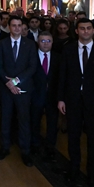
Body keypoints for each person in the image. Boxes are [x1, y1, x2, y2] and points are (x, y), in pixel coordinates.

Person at [57, 19, 94, 187]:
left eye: (89, 28)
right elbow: (62, 76)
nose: (86, 31)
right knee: (73, 138)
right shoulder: (67, 50)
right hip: (73, 100)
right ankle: (74, 170)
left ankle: (92, 173)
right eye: (82, 28)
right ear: (76, 31)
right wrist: (60, 98)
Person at [0, 16, 40, 165]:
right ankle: (5, 147)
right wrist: (8, 83)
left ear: (22, 27)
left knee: (23, 120)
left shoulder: (30, 44)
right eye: (13, 25)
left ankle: (25, 151)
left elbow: (32, 67)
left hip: (23, 87)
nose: (16, 28)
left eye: (19, 25)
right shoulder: (2, 44)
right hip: (5, 88)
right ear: (9, 27)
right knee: (5, 118)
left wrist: (16, 81)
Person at [31, 31, 61, 161]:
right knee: (35, 121)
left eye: (48, 41)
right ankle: (35, 145)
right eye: (42, 41)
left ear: (52, 42)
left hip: (52, 96)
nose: (45, 44)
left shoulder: (58, 57)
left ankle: (50, 147)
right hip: (35, 95)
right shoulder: (31, 56)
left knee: (52, 123)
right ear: (38, 42)